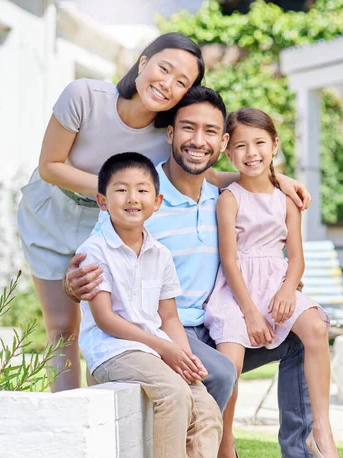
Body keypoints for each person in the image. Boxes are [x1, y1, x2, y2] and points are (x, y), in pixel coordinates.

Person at [69, 87, 343, 458]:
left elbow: (252, 179)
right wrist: (74, 278)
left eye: (211, 131)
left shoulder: (221, 193)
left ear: (222, 143)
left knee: (304, 336)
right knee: (217, 370)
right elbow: (98, 252)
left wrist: (279, 178)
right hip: (172, 329)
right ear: (170, 133)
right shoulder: (143, 193)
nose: (199, 140)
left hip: (219, 323)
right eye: (189, 128)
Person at [18, 32, 310, 393]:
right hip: (53, 212)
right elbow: (50, 165)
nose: (167, 84)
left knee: (108, 319)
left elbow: (212, 173)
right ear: (143, 62)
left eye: (181, 82)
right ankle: (68, 425)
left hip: (109, 216)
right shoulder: (84, 97)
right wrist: (117, 188)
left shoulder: (165, 136)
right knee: (62, 327)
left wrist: (274, 178)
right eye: (164, 69)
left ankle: (103, 421)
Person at [77, 151, 242, 458]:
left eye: (142, 190)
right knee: (172, 394)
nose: (132, 198)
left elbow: (169, 316)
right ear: (102, 200)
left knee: (205, 404)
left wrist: (181, 351)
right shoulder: (94, 250)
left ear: (157, 203)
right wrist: (166, 349)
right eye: (121, 190)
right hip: (114, 350)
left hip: (155, 348)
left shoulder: (160, 254)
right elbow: (106, 319)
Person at [205, 108, 343, 458]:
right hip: (238, 292)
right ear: (228, 152)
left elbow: (296, 257)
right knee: (229, 362)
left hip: (277, 282)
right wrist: (250, 312)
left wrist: (286, 288)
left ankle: (322, 430)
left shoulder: (286, 199)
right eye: (241, 146)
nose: (252, 153)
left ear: (275, 146)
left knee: (315, 326)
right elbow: (230, 261)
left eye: (260, 143)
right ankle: (224, 442)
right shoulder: (229, 198)